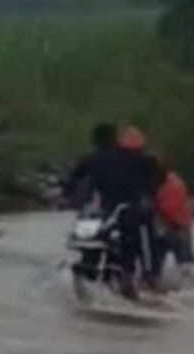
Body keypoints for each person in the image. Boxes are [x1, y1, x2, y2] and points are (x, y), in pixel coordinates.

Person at [62, 123, 159, 299]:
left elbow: (73, 180)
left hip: (123, 209)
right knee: (96, 237)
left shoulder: (94, 158)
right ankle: (143, 274)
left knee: (135, 235)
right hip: (111, 210)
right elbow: (75, 180)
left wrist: (66, 195)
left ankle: (140, 274)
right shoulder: (132, 157)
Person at [118, 126, 194, 286]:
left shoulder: (149, 185)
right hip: (180, 227)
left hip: (166, 228)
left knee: (153, 262)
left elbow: (161, 208)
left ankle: (150, 280)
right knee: (185, 266)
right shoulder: (174, 181)